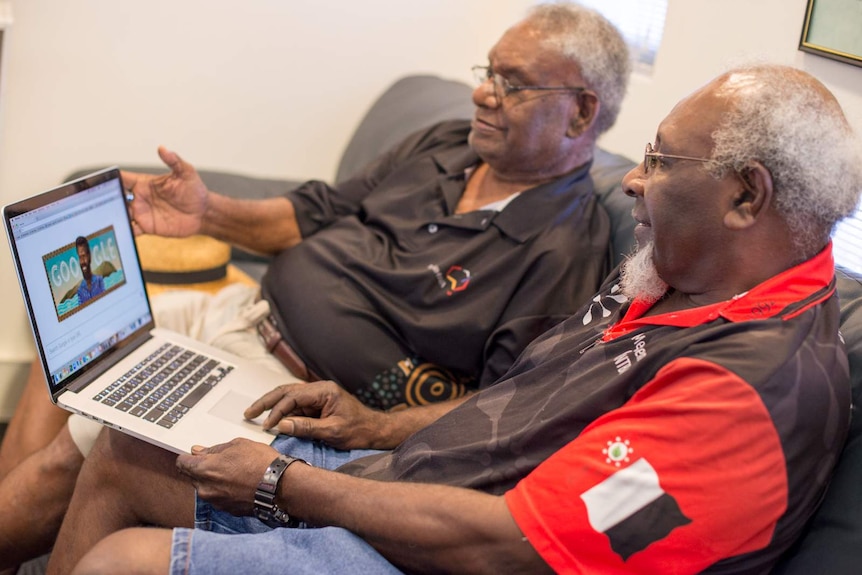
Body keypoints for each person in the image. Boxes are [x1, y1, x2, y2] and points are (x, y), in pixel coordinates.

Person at [48, 63, 862, 574]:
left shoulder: (746, 397)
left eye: (658, 161)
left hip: (454, 548)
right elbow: (525, 402)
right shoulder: (682, 277)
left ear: (746, 196)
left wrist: (281, 481)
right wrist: (373, 425)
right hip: (419, 485)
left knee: (125, 560)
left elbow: (511, 545)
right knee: (125, 448)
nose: (632, 184)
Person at [0, 3, 632, 570]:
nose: (482, 94)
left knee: (85, 442)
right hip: (242, 311)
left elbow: (498, 410)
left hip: (280, 382)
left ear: (581, 110)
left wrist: (372, 426)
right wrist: (207, 211)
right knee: (76, 344)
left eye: (511, 83)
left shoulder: (565, 252)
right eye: (487, 72)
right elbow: (313, 212)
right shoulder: (446, 145)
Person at [74, 236, 106, 304]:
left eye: (84, 256)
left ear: (89, 257)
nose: (82, 261)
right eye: (80, 257)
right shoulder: (80, 290)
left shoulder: (99, 280)